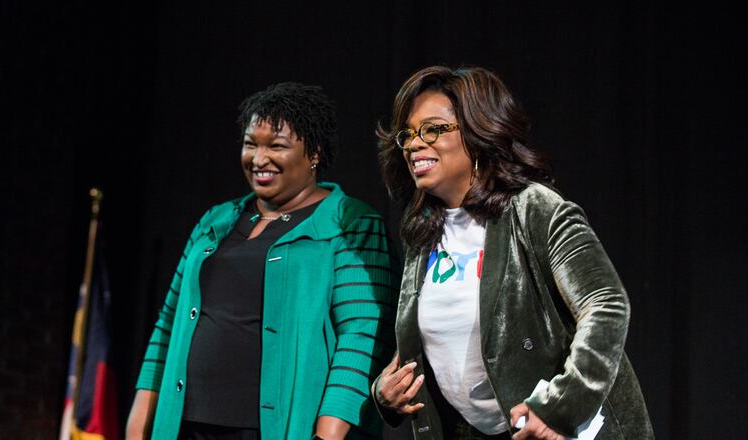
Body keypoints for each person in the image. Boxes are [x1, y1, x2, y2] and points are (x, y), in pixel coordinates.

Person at [372, 66, 653, 440]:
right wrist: (385, 391)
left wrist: (560, 407)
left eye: (433, 129)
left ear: (478, 132)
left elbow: (606, 304)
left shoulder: (533, 208)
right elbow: (427, 343)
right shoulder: (423, 231)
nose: (413, 144)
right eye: (407, 134)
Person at [126, 82, 398, 440]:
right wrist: (139, 421)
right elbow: (168, 323)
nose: (258, 158)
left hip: (276, 429)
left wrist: (329, 433)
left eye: (277, 146)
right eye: (250, 144)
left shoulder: (350, 223)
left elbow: (361, 337)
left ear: (313, 153)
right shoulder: (215, 221)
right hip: (183, 425)